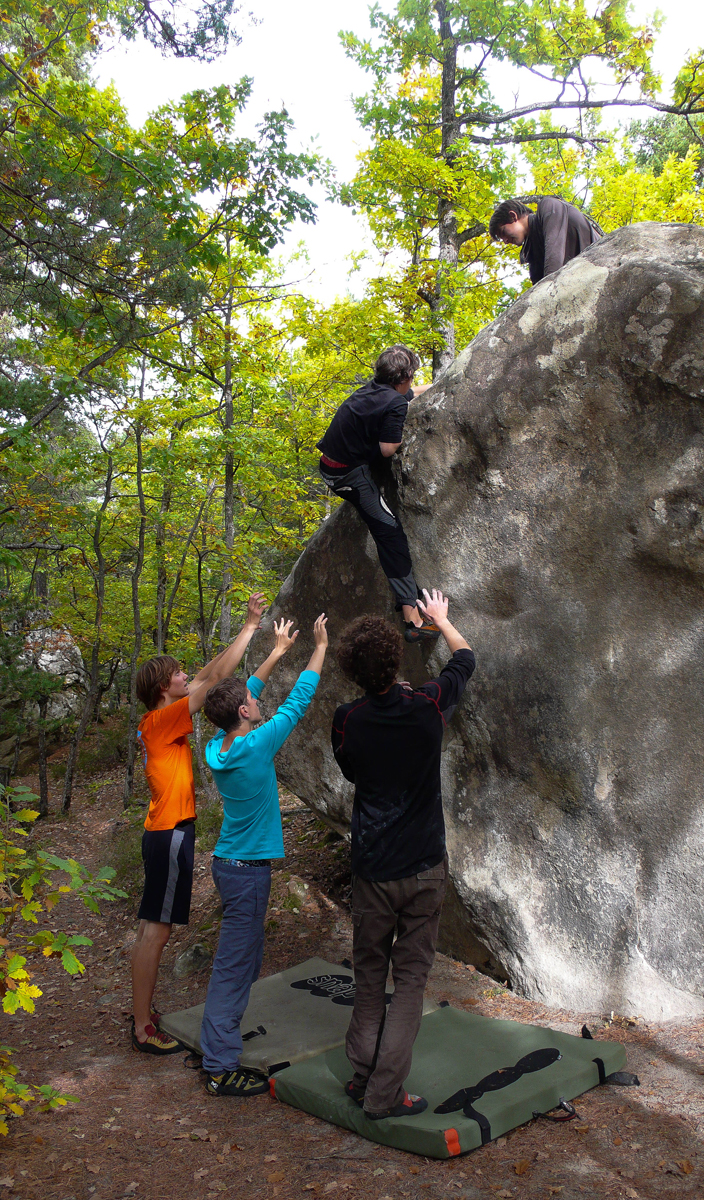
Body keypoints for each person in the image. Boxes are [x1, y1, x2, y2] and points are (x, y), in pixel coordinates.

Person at [331, 589, 475, 1120]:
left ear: (352, 671)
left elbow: (352, 771)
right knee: (410, 980)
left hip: (373, 868)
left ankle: (363, 1077)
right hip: (423, 866)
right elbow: (465, 659)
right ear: (395, 660)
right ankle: (384, 1094)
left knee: (370, 975)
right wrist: (440, 619)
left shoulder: (347, 719)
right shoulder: (426, 706)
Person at [130, 592, 267, 1055]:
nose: (185, 675)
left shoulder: (160, 719)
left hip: (164, 831)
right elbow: (216, 678)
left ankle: (143, 1014)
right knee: (157, 930)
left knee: (151, 927)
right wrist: (249, 627)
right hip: (170, 832)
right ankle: (143, 1027)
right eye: (177, 673)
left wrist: (247, 627)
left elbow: (210, 673)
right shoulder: (162, 719)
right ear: (162, 686)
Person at [199, 612, 329, 1098]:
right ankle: (219, 1066)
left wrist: (276, 652)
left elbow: (243, 692)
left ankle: (221, 1041)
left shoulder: (219, 745)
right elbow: (298, 700)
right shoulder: (255, 745)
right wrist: (320, 647)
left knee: (245, 962)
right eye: (253, 702)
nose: (258, 700)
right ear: (246, 713)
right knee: (234, 968)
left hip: (229, 866)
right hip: (247, 873)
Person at [317, 345, 438, 644]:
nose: (413, 381)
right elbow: (387, 449)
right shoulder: (394, 402)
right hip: (348, 476)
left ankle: (410, 607)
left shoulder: (372, 389)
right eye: (413, 376)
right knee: (389, 533)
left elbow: (405, 396)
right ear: (404, 377)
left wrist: (439, 385)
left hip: (331, 465)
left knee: (387, 530)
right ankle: (413, 619)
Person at [489, 196, 601, 284]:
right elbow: (538, 285)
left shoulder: (549, 206)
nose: (505, 241)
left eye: (503, 232)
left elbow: (554, 254)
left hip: (600, 266)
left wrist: (546, 292)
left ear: (513, 216)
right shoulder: (531, 250)